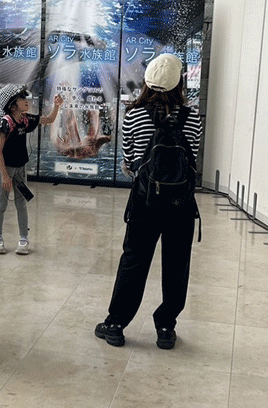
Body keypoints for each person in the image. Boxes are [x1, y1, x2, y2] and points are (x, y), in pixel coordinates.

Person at [95, 53, 202, 349]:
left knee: (134, 260)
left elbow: (129, 161)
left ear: (148, 82)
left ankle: (116, 323)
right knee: (177, 263)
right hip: (181, 204)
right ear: (179, 83)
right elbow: (193, 159)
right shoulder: (192, 117)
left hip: (145, 202)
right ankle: (166, 327)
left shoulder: (134, 114)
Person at [0, 85, 63, 255]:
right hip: (6, 169)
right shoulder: (6, 122)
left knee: (21, 203)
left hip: (20, 168)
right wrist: (4, 176)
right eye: (23, 99)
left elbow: (49, 120)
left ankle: (24, 238)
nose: (27, 102)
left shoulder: (26, 119)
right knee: (1, 203)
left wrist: (56, 106)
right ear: (12, 105)